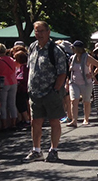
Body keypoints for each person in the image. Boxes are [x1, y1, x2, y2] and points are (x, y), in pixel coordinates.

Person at [23, 21, 67, 163]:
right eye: (36, 31)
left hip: (50, 93)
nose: (39, 34)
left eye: (41, 31)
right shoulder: (32, 47)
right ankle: (36, 150)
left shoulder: (55, 50)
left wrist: (55, 90)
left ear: (48, 32)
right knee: (35, 122)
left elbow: (62, 73)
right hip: (35, 94)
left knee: (54, 121)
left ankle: (53, 150)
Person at [67, 40, 98, 127]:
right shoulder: (73, 58)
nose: (72, 49)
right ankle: (74, 121)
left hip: (86, 83)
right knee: (74, 100)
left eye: (74, 48)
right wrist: (67, 81)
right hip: (74, 82)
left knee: (86, 101)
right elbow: (70, 71)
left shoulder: (87, 57)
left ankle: (86, 119)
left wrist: (92, 74)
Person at [0, 43, 18, 131]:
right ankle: (14, 123)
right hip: (13, 81)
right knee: (12, 103)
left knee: (3, 104)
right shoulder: (12, 59)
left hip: (4, 83)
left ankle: (4, 125)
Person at [13, 50, 31, 129]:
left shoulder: (24, 68)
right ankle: (25, 119)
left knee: (21, 105)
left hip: (22, 89)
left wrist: (17, 80)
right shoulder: (24, 67)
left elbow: (23, 78)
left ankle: (27, 120)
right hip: (24, 89)